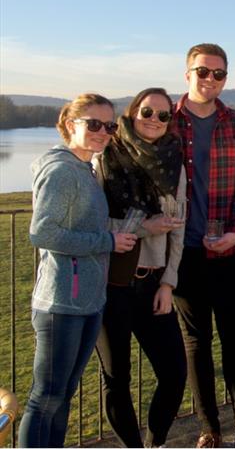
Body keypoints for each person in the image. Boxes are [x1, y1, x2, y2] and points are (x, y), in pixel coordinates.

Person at [20, 94, 137, 448]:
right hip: (60, 302)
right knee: (46, 397)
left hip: (86, 298)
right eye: (94, 124)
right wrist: (107, 242)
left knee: (64, 393)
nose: (104, 132)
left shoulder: (84, 167)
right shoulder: (60, 171)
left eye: (110, 126)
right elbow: (43, 232)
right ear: (71, 125)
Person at [171, 43, 235, 448]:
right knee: (196, 344)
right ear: (187, 74)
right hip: (183, 253)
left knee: (234, 340)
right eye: (202, 71)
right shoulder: (168, 122)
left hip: (229, 249)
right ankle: (209, 428)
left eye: (218, 73)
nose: (209, 79)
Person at [93, 88, 188, 448]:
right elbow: (94, 226)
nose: (154, 120)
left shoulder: (173, 162)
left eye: (164, 116)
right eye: (147, 112)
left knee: (175, 372)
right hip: (110, 284)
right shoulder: (103, 157)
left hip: (152, 285)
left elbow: (177, 228)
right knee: (117, 378)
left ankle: (156, 442)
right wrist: (143, 228)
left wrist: (168, 282)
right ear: (133, 113)